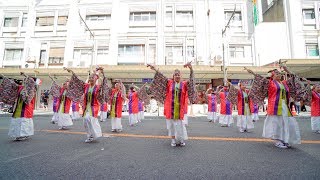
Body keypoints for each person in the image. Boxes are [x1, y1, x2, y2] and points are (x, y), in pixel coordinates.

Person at [245, 66, 301, 148]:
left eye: (279, 74)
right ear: (273, 76)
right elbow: (260, 79)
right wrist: (252, 72)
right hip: (275, 105)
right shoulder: (270, 83)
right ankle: (278, 141)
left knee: (286, 123)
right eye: (276, 74)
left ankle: (285, 139)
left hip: (285, 106)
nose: (279, 75)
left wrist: (287, 70)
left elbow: (294, 78)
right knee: (277, 124)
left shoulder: (284, 83)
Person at [147, 62, 196, 147]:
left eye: (178, 75)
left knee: (180, 125)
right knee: (171, 126)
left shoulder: (184, 84)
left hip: (180, 109)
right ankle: (173, 140)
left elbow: (191, 81)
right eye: (175, 75)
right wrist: (154, 68)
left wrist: (191, 68)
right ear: (173, 76)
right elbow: (160, 76)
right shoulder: (169, 83)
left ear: (180, 76)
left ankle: (181, 140)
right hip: (170, 108)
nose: (177, 76)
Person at [65, 67, 107, 143]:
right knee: (85, 121)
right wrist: (71, 71)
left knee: (89, 119)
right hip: (86, 107)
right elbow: (77, 81)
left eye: (92, 78)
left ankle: (96, 133)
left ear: (96, 79)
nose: (91, 79)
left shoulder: (98, 87)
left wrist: (102, 72)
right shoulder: (86, 86)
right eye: (90, 78)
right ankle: (90, 136)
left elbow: (104, 84)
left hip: (94, 107)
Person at [0, 73, 36, 141]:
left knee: (24, 121)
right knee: (16, 120)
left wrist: (25, 75)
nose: (24, 82)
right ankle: (18, 134)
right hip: (18, 106)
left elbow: (28, 99)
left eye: (26, 81)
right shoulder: (20, 87)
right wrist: (4, 77)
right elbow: (12, 84)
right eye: (24, 80)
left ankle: (24, 134)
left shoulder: (31, 89)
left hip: (26, 107)